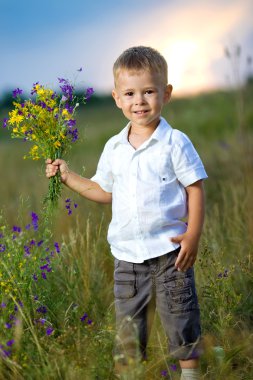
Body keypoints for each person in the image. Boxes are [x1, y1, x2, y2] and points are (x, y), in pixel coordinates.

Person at [46, 46, 207, 380]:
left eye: (149, 92)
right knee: (129, 333)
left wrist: (192, 234)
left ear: (167, 93)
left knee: (181, 321)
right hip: (127, 260)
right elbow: (104, 191)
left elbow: (195, 188)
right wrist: (68, 176)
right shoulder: (114, 148)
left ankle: (190, 375)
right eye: (130, 93)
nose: (140, 101)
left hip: (171, 255)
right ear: (117, 98)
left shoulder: (175, 142)